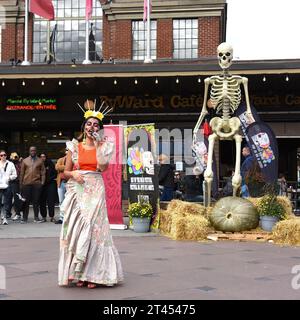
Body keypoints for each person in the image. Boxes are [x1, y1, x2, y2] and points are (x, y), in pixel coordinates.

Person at [58, 101, 123, 289]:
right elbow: (65, 172)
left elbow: (102, 167)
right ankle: (79, 273)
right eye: (89, 124)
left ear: (99, 129)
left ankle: (93, 275)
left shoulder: (104, 146)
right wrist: (73, 174)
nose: (91, 127)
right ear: (83, 126)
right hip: (78, 190)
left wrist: (97, 144)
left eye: (95, 125)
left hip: (96, 188)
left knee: (96, 231)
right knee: (78, 230)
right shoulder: (74, 147)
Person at [19, 146, 45, 223]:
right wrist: (21, 184)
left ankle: (36, 217)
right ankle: (24, 218)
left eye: (34, 151)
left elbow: (43, 172)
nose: (32, 152)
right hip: (26, 184)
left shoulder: (40, 161)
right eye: (31, 151)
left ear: (36, 151)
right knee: (25, 201)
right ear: (29, 151)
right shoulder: (25, 160)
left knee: (36, 201)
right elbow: (22, 173)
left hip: (37, 184)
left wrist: (42, 183)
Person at [39, 153, 58, 222]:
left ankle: (51, 216)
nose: (42, 158)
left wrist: (48, 180)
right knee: (42, 201)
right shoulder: (38, 165)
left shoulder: (50, 164)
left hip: (50, 184)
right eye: (41, 157)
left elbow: (55, 174)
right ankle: (43, 217)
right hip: (41, 185)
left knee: (51, 201)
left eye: (44, 156)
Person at [0, 150, 17, 225]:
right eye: (1, 155)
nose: (3, 156)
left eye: (4, 155)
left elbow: (15, 175)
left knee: (7, 202)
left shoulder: (10, 164)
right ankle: (1, 216)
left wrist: (8, 178)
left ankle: (5, 218)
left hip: (7, 185)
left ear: (6, 156)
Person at [54, 148, 68, 224]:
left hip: (69, 183)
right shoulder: (61, 159)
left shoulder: (74, 159)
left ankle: (68, 218)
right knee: (61, 201)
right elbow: (57, 167)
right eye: (66, 151)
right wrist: (66, 167)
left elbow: (74, 168)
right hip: (61, 183)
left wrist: (62, 167)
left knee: (69, 201)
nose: (67, 152)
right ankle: (61, 218)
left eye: (68, 151)